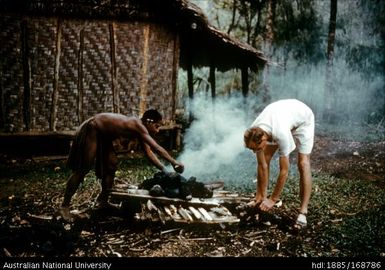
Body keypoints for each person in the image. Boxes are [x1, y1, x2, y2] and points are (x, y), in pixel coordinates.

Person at [58, 109, 184, 221]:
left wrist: (165, 170)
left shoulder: (141, 130)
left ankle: (102, 201)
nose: (157, 131)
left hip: (104, 135)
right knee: (83, 169)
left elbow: (149, 153)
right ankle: (64, 206)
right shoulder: (138, 125)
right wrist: (174, 162)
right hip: (94, 128)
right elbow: (156, 148)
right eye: (157, 126)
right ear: (149, 121)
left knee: (112, 165)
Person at [243, 99, 314, 228]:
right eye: (251, 149)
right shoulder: (254, 131)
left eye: (256, 148)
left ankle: (303, 211)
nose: (254, 152)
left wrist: (273, 200)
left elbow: (284, 171)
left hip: (303, 119)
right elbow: (262, 165)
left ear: (263, 138)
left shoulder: (280, 134)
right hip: (281, 117)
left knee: (303, 164)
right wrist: (261, 197)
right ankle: (259, 197)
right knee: (265, 157)